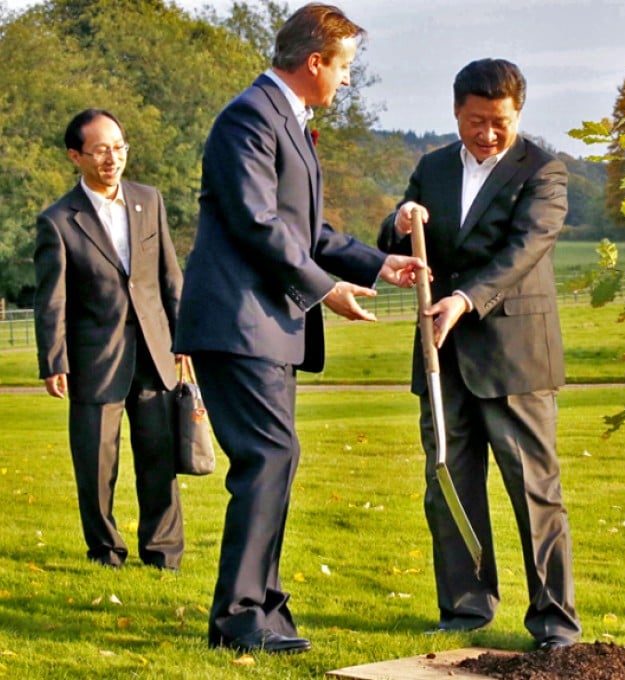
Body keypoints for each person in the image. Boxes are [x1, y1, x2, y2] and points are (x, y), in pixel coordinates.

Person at [173, 3, 422, 655]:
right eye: (345, 69)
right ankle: (239, 619)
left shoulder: (288, 121)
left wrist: (378, 261)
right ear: (315, 62)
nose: (347, 82)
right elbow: (258, 224)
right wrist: (327, 289)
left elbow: (307, 231)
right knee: (269, 458)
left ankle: (265, 607)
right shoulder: (249, 117)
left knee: (276, 460)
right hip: (237, 323)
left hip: (266, 326)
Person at [377, 58, 581, 649]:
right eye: (475, 121)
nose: (487, 133)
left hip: (515, 357)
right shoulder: (432, 167)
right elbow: (394, 240)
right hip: (440, 356)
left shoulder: (544, 172)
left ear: (518, 113)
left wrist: (466, 299)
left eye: (499, 122)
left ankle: (554, 623)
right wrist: (399, 218)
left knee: (533, 491)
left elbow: (525, 249)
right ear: (456, 112)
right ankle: (465, 611)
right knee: (448, 486)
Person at [33, 108, 185, 571]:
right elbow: (51, 297)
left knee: (160, 458)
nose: (111, 158)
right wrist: (53, 358)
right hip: (94, 359)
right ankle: (105, 550)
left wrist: (185, 340)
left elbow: (169, 276)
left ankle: (163, 553)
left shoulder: (148, 199)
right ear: (75, 155)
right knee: (96, 466)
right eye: (100, 150)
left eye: (118, 147)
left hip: (157, 353)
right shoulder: (58, 220)